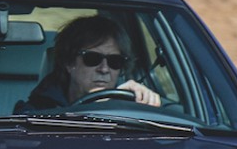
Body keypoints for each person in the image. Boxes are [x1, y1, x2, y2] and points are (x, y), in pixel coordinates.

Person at [18, 15, 163, 111]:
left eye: (115, 61)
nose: (104, 69)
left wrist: (146, 104)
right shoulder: (34, 113)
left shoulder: (131, 108)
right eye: (92, 59)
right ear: (69, 63)